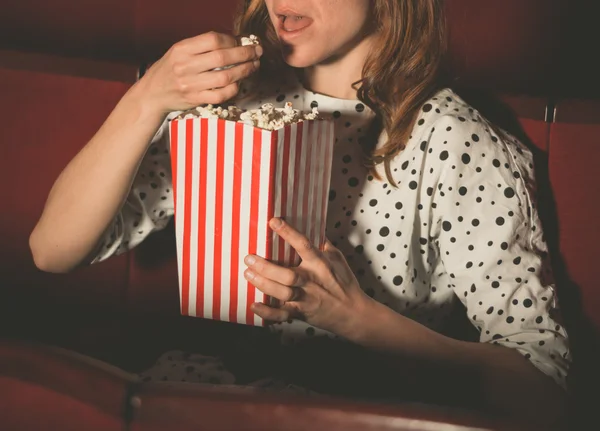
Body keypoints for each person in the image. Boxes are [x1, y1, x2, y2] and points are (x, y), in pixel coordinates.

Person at [29, 0, 570, 427]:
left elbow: (544, 392)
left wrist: (360, 321)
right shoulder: (231, 107)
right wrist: (146, 99)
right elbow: (52, 251)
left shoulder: (452, 140)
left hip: (373, 415)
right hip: (212, 399)